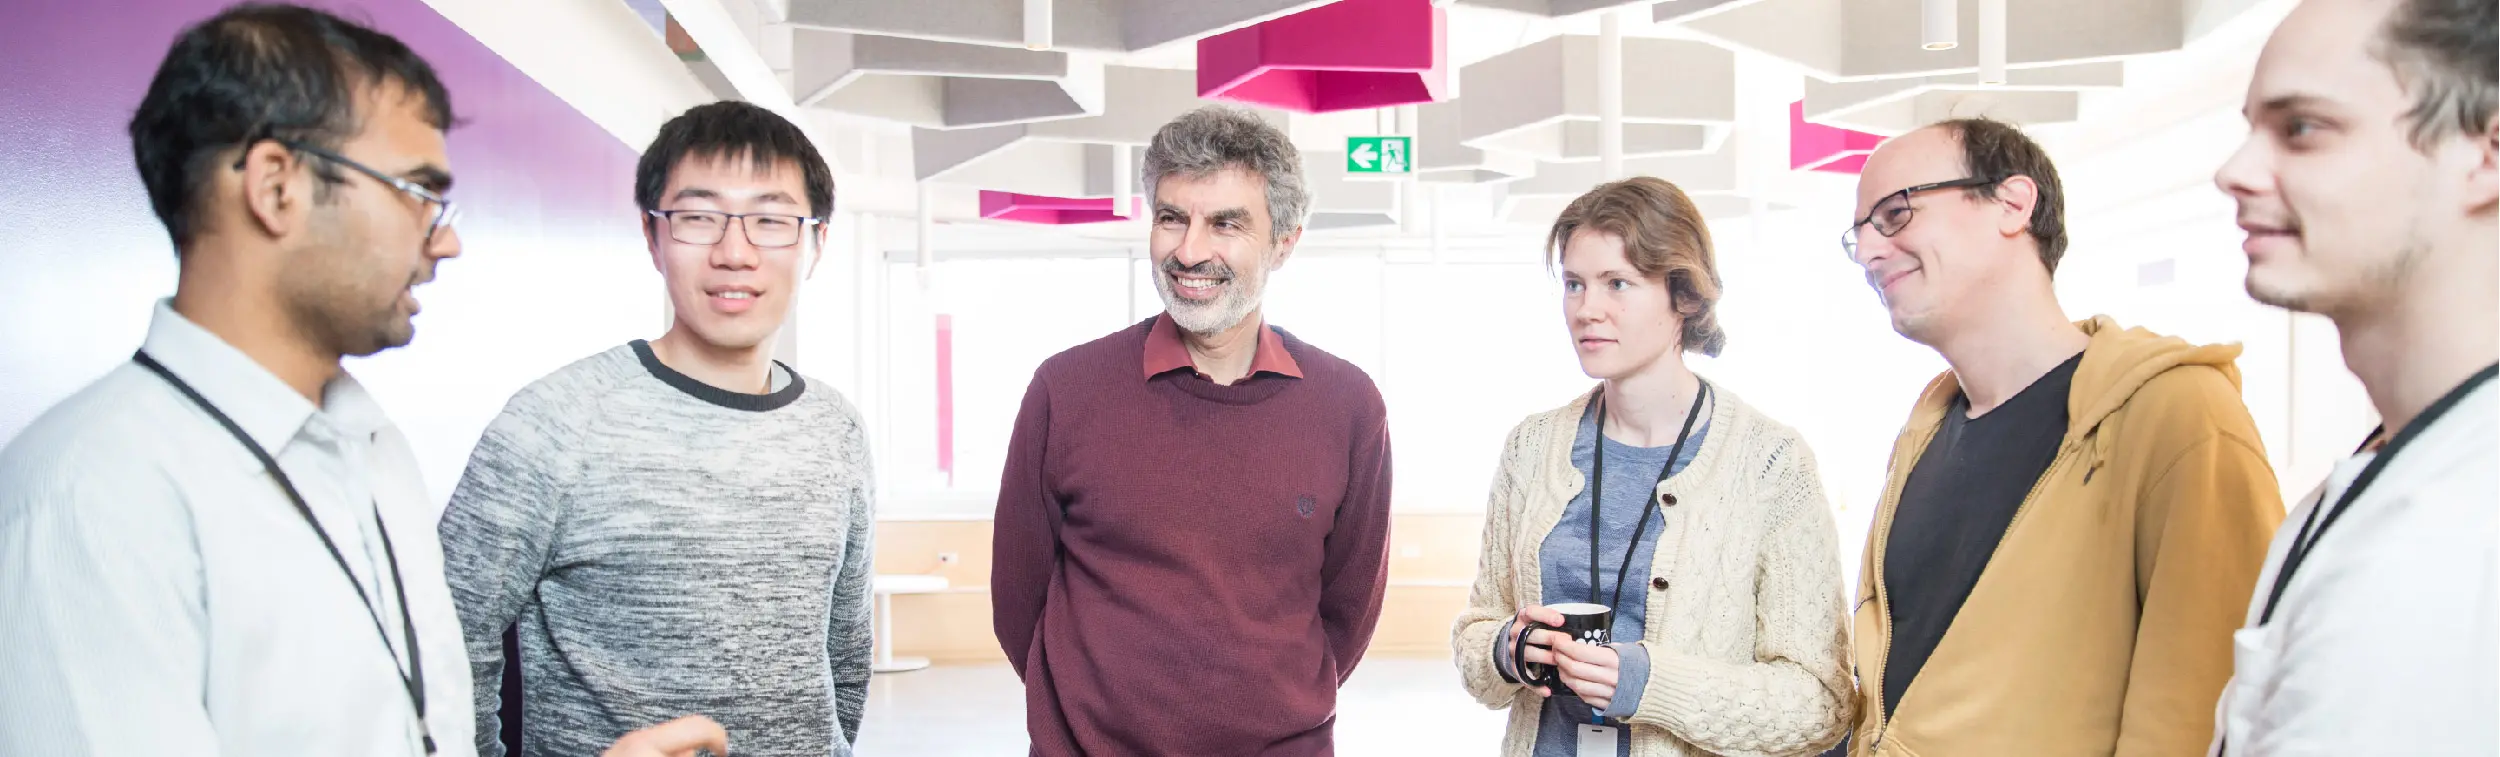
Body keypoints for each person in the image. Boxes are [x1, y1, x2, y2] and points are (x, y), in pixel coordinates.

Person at [0, 4, 721, 756]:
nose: (446, 240)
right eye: (416, 192)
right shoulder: (86, 504)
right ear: (277, 186)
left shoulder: (374, 449)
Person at [1840, 117, 2286, 756]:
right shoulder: (1926, 431)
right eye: (1857, 234)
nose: (1869, 252)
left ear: (2013, 203)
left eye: (1895, 214)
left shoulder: (2177, 413)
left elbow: (2203, 712)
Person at [437, 100, 867, 757]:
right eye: (698, 218)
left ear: (815, 243)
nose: (735, 252)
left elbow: (845, 651)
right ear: (652, 234)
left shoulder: (835, 425)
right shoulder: (553, 423)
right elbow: (444, 648)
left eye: (771, 220)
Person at [988, 104, 1393, 756]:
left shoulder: (1347, 406)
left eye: (1226, 224)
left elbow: (1347, 613)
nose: (1189, 249)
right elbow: (1018, 604)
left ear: (1284, 242)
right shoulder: (1065, 390)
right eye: (1172, 217)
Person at [1452, 177, 1854, 757]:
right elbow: (1478, 630)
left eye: (1618, 283)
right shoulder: (1531, 447)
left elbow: (1820, 703)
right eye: (1574, 284)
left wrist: (1649, 684)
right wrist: (1505, 651)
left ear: (1685, 297)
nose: (1587, 310)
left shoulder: (1770, 462)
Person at [2208, 0, 2497, 751]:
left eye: (2302, 128)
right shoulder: (2382, 473)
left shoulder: (2464, 529)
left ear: (2486, 155)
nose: (2234, 171)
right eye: (2250, 128)